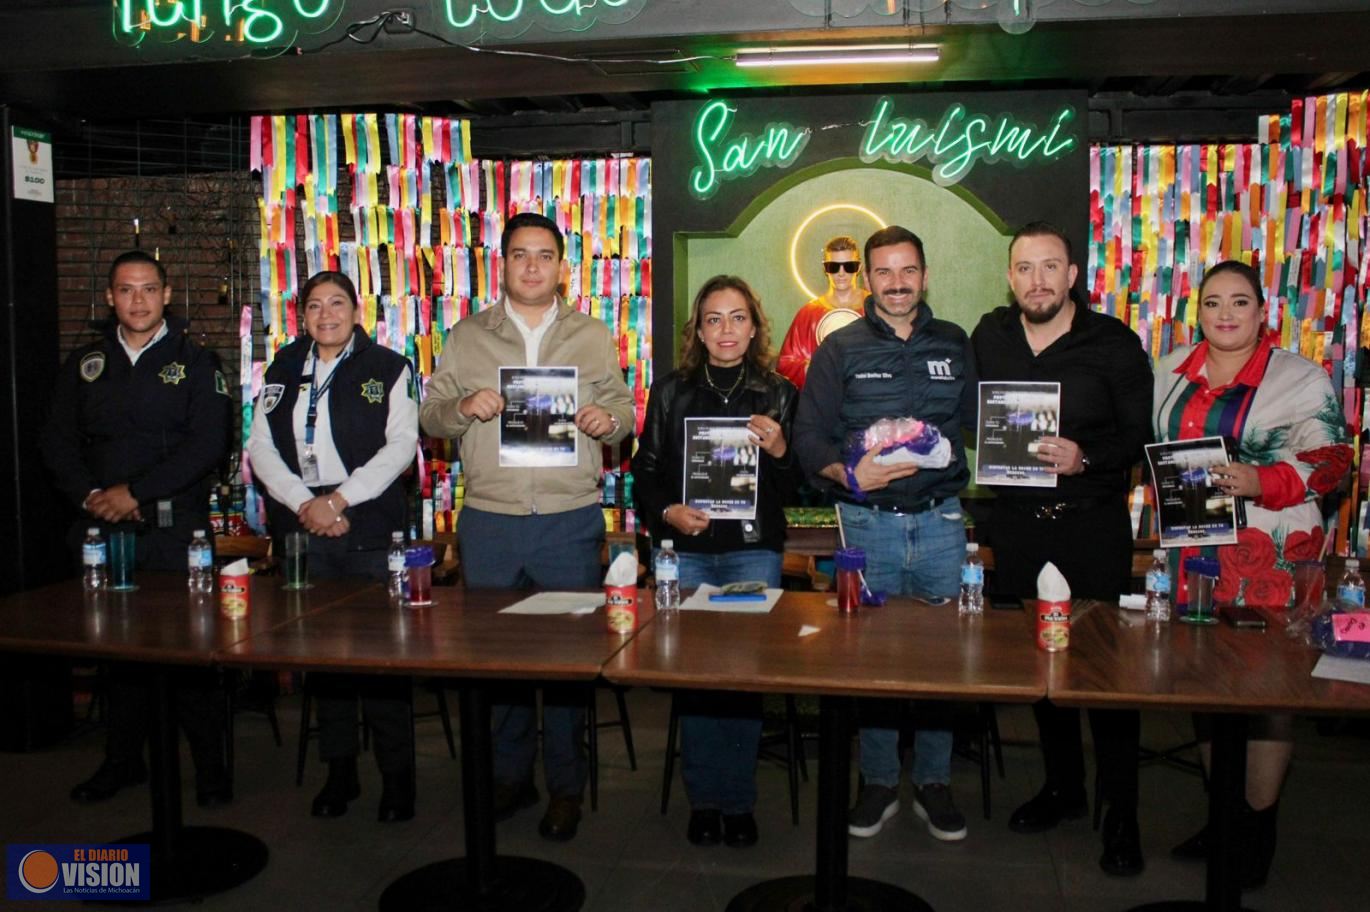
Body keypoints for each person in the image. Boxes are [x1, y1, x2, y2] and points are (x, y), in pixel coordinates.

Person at [419, 211, 635, 842]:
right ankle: (511, 778)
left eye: (544, 255)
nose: (532, 266)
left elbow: (623, 408)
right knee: (498, 662)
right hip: (491, 520)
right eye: (520, 254)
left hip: (568, 520)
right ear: (503, 264)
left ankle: (566, 788)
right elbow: (430, 416)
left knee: (568, 665)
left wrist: (607, 422)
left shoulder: (591, 334)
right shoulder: (468, 335)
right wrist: (463, 407)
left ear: (562, 267)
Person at [1153, 259, 1351, 888]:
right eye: (1213, 302)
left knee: (1265, 693)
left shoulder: (1300, 377)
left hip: (1270, 552)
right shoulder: (1170, 371)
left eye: (1240, 302)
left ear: (1263, 311)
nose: (1226, 314)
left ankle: (1256, 831)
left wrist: (1260, 478)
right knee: (1203, 685)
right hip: (1195, 548)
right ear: (1198, 311)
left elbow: (1334, 463)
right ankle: (1225, 818)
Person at [970, 222, 1153, 875]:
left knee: (1105, 675)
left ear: (1073, 275)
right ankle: (1064, 788)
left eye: (1050, 267)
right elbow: (970, 412)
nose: (1037, 280)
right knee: (1042, 671)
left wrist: (1086, 458)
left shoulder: (1113, 343)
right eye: (1024, 268)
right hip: (1019, 527)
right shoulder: (990, 336)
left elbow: (1139, 438)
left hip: (1091, 527)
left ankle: (1122, 814)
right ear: (1010, 277)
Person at [793, 225, 977, 843]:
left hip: (943, 522)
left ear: (925, 275)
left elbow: (984, 418)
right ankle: (876, 781)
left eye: (908, 271)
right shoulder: (839, 348)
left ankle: (933, 781)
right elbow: (807, 437)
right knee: (867, 657)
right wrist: (847, 472)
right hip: (866, 524)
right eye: (884, 272)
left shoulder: (954, 342)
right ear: (867, 279)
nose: (897, 283)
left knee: (943, 659)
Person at [40, 250, 232, 808]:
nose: (138, 300)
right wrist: (92, 497)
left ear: (166, 295)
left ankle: (211, 768)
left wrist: (136, 493)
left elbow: (208, 444)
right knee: (118, 654)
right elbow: (56, 441)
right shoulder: (86, 363)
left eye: (149, 289)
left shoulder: (196, 362)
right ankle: (122, 761)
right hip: (104, 530)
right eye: (126, 290)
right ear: (110, 298)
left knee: (192, 652)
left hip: (174, 532)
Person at [632, 275, 801, 848]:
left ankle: (738, 800)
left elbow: (797, 486)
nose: (726, 329)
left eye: (737, 318)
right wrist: (668, 513)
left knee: (744, 679)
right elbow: (644, 473)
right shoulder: (670, 392)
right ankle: (704, 800)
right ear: (699, 332)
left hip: (753, 551)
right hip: (690, 554)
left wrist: (780, 450)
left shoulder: (780, 393)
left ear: (754, 328)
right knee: (697, 679)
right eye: (713, 319)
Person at [246, 270, 419, 823]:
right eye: (315, 305)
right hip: (305, 528)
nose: (327, 314)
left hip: (368, 525)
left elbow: (401, 446)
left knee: (382, 659)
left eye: (337, 303)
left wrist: (339, 500)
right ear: (302, 315)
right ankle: (339, 771)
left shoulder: (389, 367)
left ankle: (398, 778)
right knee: (324, 660)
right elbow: (261, 447)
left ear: (356, 310)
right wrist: (307, 505)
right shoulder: (281, 368)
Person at [777, 235, 866, 390]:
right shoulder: (808, 313)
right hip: (823, 396)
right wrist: (813, 369)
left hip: (870, 396)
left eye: (849, 266)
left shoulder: (876, 307)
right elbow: (785, 364)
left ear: (858, 267)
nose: (841, 273)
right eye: (833, 267)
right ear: (825, 268)